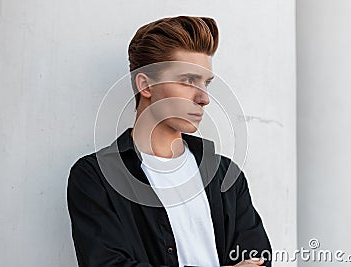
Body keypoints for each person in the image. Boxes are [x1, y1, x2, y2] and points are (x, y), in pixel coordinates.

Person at [67, 16, 272, 267]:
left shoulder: (225, 176)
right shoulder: (96, 177)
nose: (204, 98)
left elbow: (257, 261)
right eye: (188, 80)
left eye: (205, 83)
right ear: (146, 85)